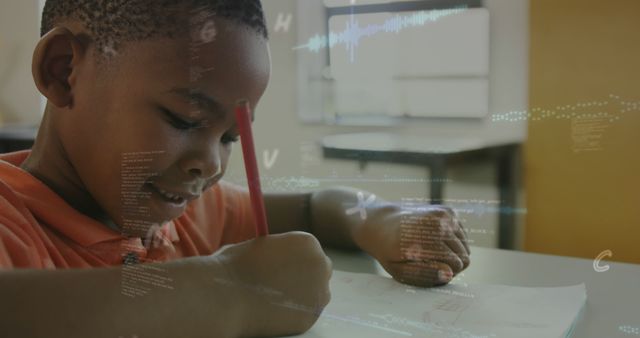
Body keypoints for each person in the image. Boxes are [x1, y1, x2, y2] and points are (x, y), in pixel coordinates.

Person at [0, 1, 470, 337]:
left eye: (230, 138)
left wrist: (379, 217)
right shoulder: (11, 222)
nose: (210, 163)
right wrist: (233, 290)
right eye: (183, 119)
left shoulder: (179, 216)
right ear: (64, 72)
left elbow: (312, 207)